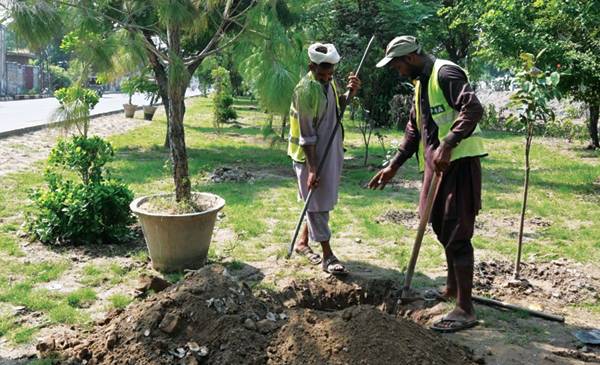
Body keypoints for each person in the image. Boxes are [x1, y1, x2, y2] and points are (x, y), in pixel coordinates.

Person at [368, 36, 486, 332]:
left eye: (396, 65)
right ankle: (451, 288)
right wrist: (394, 164)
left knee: (457, 231)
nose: (396, 71)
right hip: (437, 167)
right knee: (440, 225)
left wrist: (448, 143)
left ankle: (465, 308)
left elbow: (473, 109)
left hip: (457, 163)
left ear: (408, 58)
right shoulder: (421, 82)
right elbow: (414, 128)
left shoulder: (446, 74)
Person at [288, 42, 361, 275]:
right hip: (310, 154)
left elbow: (336, 106)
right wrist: (312, 168)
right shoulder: (304, 91)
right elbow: (307, 135)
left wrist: (351, 93)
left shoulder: (327, 81)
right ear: (311, 66)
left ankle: (302, 243)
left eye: (331, 74)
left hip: (329, 150)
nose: (327, 78)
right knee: (317, 204)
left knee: (318, 200)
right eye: (322, 74)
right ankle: (328, 255)